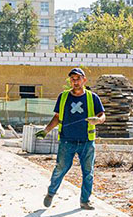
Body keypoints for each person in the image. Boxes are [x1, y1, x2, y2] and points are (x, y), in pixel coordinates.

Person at [39, 67, 105, 209]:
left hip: (87, 141)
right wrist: (46, 130)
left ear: (84, 80)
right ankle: (51, 193)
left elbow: (102, 115)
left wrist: (98, 120)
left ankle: (85, 201)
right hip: (67, 140)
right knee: (60, 168)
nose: (75, 82)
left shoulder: (92, 97)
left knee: (88, 172)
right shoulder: (63, 97)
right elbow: (57, 117)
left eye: (78, 79)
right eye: (72, 79)